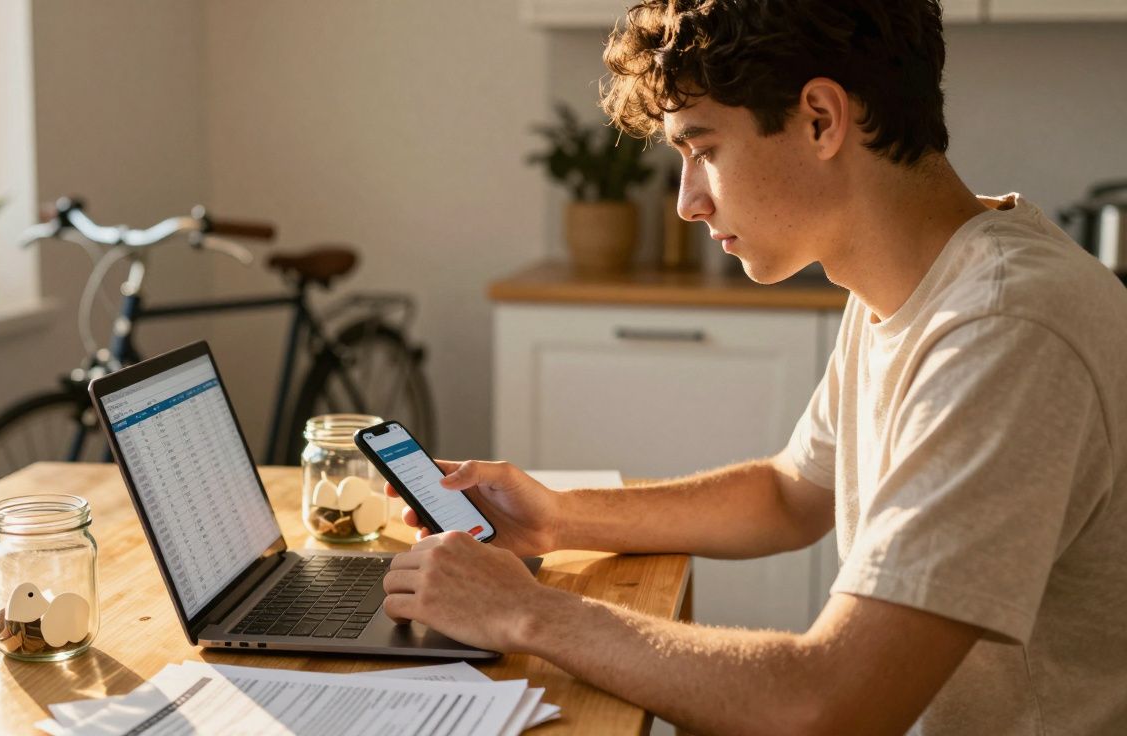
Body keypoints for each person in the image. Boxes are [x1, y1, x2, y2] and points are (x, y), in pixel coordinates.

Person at [378, 1, 1127, 734]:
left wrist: (526, 611)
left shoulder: (1003, 330)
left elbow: (830, 705)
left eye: (703, 150)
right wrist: (558, 517)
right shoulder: (910, 283)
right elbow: (791, 493)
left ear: (821, 120)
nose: (687, 203)